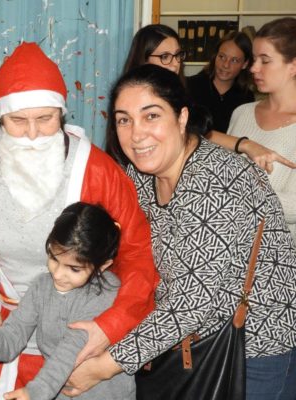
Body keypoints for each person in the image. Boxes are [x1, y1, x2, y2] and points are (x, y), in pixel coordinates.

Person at [63, 64, 296, 400]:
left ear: (182, 117)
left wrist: (106, 365)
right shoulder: (142, 175)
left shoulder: (216, 180)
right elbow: (122, 251)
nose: (136, 134)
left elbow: (191, 303)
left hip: (254, 349)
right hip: (188, 345)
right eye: (124, 119)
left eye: (151, 116)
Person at [0, 42, 159, 395]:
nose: (32, 134)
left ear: (62, 113)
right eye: (18, 121)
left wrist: (109, 327)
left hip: (79, 348)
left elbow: (137, 259)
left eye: (45, 119)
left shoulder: (99, 172)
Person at [0, 202, 136, 400]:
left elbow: (70, 350)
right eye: (53, 258)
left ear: (102, 266)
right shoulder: (42, 286)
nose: (57, 274)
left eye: (74, 269)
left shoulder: (107, 291)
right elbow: (10, 341)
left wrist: (35, 393)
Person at [120, 23, 296, 174]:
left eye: (178, 55)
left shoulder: (241, 100)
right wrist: (246, 145)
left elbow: (198, 133)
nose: (175, 64)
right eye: (165, 57)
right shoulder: (133, 99)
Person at [228, 17, 296, 244]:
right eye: (254, 59)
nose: (253, 68)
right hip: (229, 246)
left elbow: (293, 207)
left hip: (276, 254)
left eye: (265, 61)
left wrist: (235, 190)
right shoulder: (242, 113)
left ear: (293, 66)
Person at [187, 31, 255, 133]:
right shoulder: (190, 86)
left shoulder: (247, 98)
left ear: (245, 64)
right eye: (222, 57)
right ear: (215, 56)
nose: (226, 65)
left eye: (234, 60)